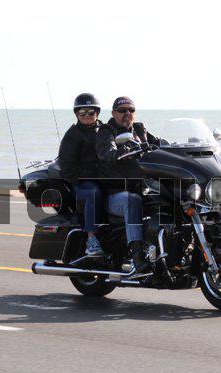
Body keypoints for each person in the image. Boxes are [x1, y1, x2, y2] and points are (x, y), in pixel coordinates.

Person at [96, 96, 161, 274]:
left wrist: (181, 147)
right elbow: (106, 152)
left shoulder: (139, 129)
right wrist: (121, 151)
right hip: (114, 194)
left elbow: (159, 143)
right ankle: (137, 256)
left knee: (171, 197)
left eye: (131, 110)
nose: (127, 113)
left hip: (142, 189)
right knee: (131, 201)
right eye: (122, 110)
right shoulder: (106, 131)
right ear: (113, 113)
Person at [58, 93, 104, 256]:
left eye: (90, 112)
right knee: (93, 192)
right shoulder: (72, 135)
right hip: (81, 183)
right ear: (76, 114)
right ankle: (91, 239)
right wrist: (92, 174)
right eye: (82, 112)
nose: (86, 115)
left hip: (105, 179)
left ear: (97, 113)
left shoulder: (105, 129)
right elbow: (67, 168)